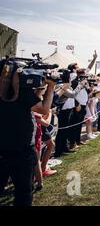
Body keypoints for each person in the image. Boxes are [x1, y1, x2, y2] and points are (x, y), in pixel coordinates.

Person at [0, 71, 57, 206]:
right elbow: (43, 109)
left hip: (3, 149)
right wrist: (51, 86)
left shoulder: (11, 93)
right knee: (23, 193)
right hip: (22, 151)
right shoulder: (21, 93)